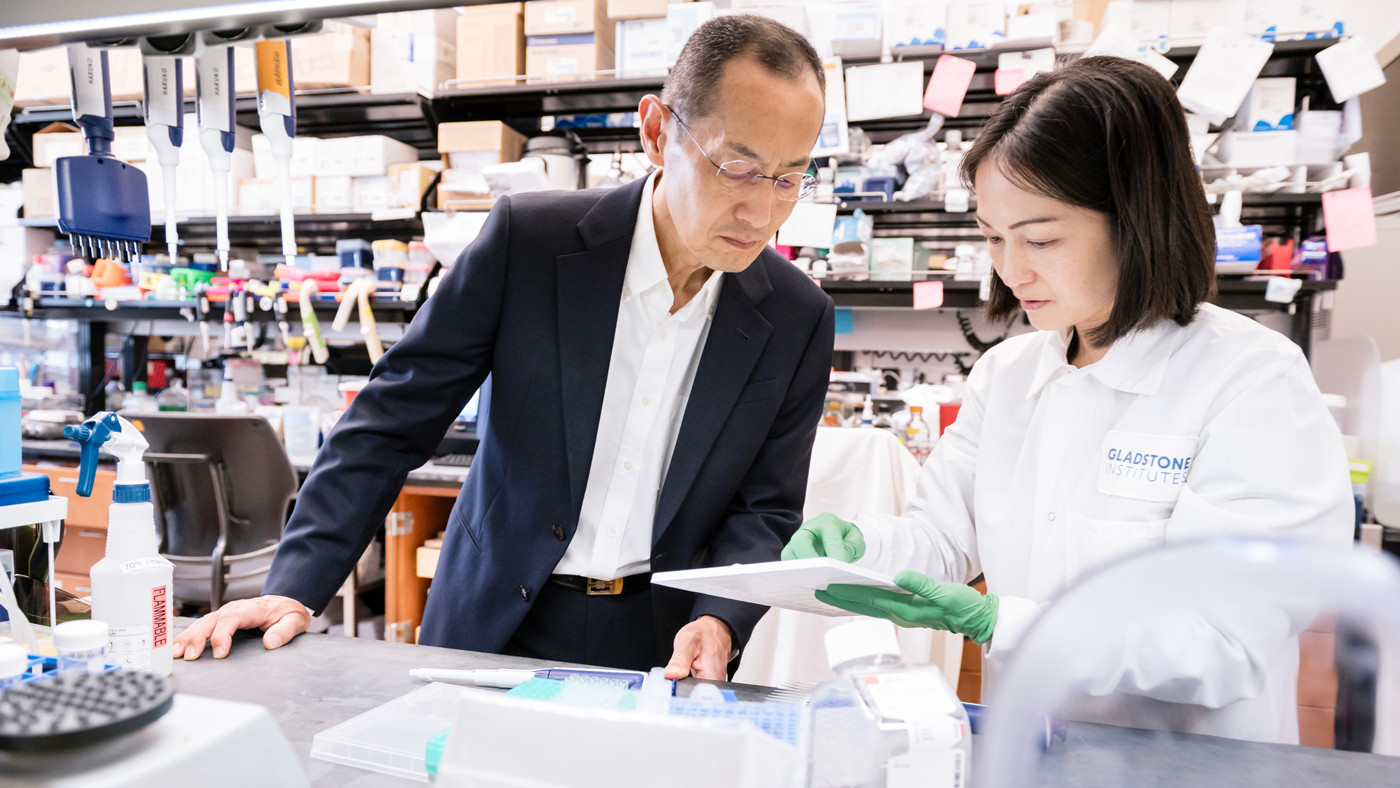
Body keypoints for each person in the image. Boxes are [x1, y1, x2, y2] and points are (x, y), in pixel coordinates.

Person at [173, 15, 835, 680]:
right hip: (493, 625)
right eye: (740, 167)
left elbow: (766, 506)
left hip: (660, 645)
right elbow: (390, 421)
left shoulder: (798, 317)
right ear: (658, 133)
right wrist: (293, 584)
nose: (763, 214)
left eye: (788, 178)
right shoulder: (532, 244)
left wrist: (719, 616)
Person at [782, 56, 1353, 743]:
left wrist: (1007, 622)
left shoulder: (1251, 381)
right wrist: (859, 546)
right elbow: (938, 540)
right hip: (1030, 752)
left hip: (1190, 766)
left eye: (1042, 238)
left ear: (1137, 218)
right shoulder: (1010, 374)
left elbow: (1223, 642)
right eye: (994, 237)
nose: (1011, 269)